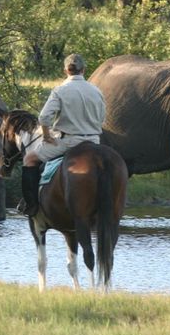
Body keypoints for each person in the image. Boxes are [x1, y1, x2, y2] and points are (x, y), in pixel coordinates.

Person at [21, 54, 106, 216]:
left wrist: (46, 136)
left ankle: (32, 206)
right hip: (94, 141)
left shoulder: (60, 90)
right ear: (83, 70)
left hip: (69, 142)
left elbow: (44, 118)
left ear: (66, 70)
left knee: (29, 159)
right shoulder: (96, 91)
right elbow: (102, 118)